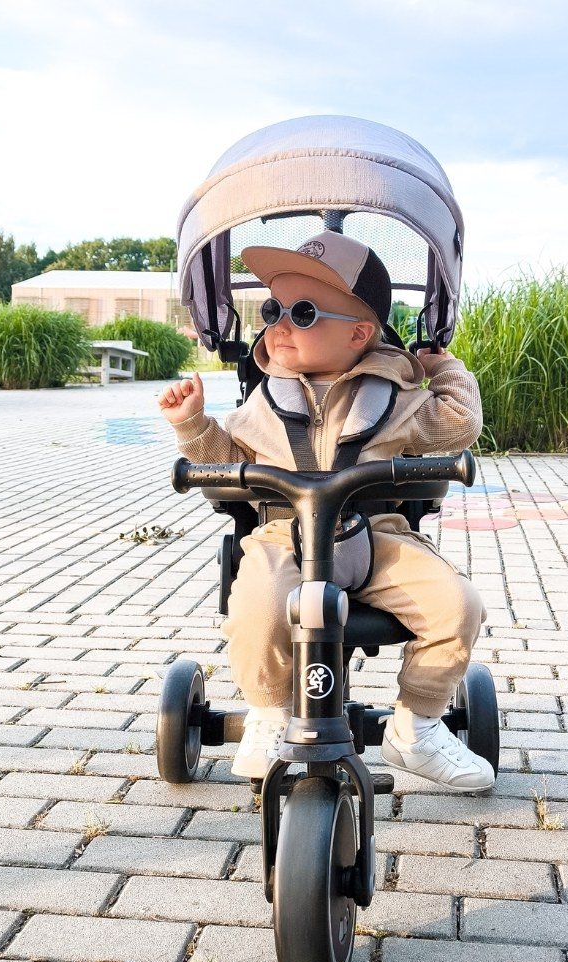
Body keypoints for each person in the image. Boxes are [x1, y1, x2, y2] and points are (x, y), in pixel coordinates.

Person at [158, 231, 493, 792]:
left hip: (375, 538)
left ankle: (418, 726)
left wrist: (446, 370)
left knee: (458, 604)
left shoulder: (398, 397)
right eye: (271, 309)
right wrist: (192, 424)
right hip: (284, 537)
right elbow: (226, 459)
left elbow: (458, 424)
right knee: (258, 606)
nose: (278, 324)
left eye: (302, 312)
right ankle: (269, 711)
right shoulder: (265, 401)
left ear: (360, 333)